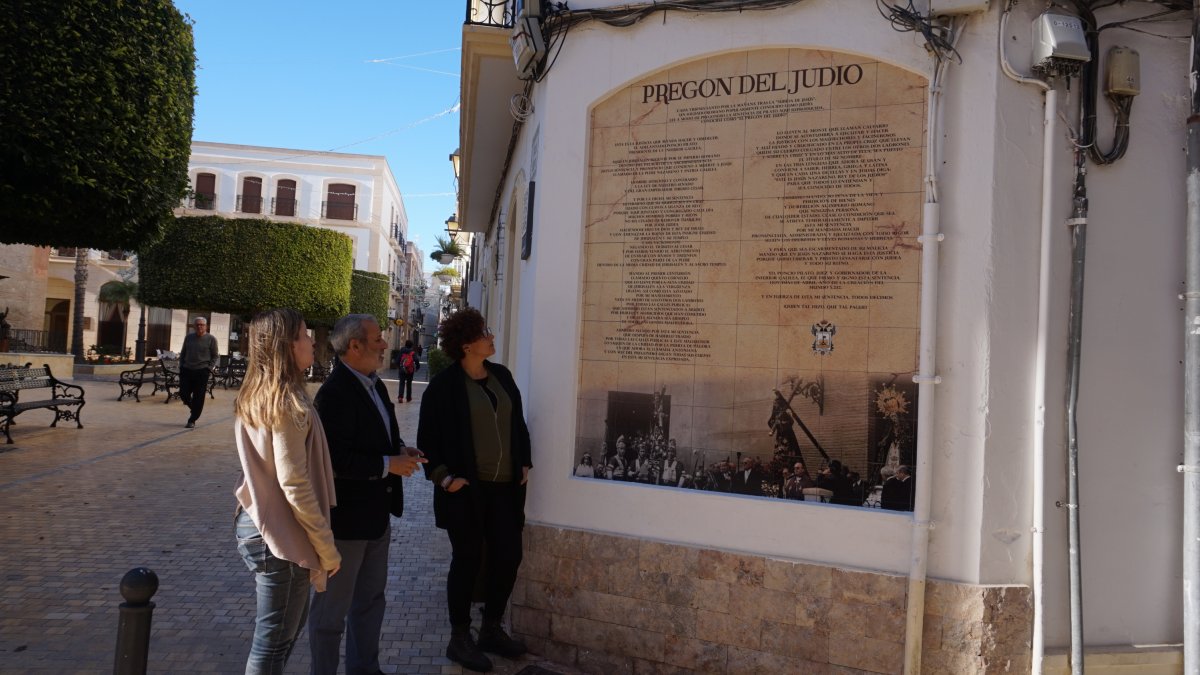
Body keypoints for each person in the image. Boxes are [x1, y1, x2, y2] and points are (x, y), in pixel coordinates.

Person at [308, 314, 426, 675]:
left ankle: (365, 670)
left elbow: (378, 439)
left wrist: (401, 450)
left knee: (371, 602)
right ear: (354, 345)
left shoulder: (375, 385)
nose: (384, 344)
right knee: (331, 613)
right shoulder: (334, 394)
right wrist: (386, 464)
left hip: (377, 518)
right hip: (346, 523)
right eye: (377, 338)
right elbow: (335, 459)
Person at [417, 308, 532, 673]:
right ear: (467, 344)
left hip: (505, 490)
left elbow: (518, 424)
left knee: (509, 555)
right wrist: (445, 479)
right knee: (466, 561)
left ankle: (491, 628)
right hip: (466, 491)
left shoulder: (502, 376)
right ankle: (459, 637)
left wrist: (524, 460)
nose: (492, 337)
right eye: (485, 333)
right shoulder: (443, 387)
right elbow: (427, 441)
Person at [232, 308, 340, 674]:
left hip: (260, 525)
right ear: (286, 346)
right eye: (305, 335)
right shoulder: (287, 403)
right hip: (279, 534)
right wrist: (326, 548)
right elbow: (293, 483)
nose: (312, 341)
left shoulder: (262, 394)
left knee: (278, 641)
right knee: (273, 645)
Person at [180, 316, 219, 428]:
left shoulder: (211, 339)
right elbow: (183, 353)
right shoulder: (188, 338)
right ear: (193, 326)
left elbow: (215, 356)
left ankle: (192, 420)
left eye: (202, 324)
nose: (199, 326)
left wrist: (209, 368)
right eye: (197, 324)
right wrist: (181, 365)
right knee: (183, 394)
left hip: (202, 371)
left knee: (199, 396)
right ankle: (195, 408)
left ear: (206, 326)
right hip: (187, 369)